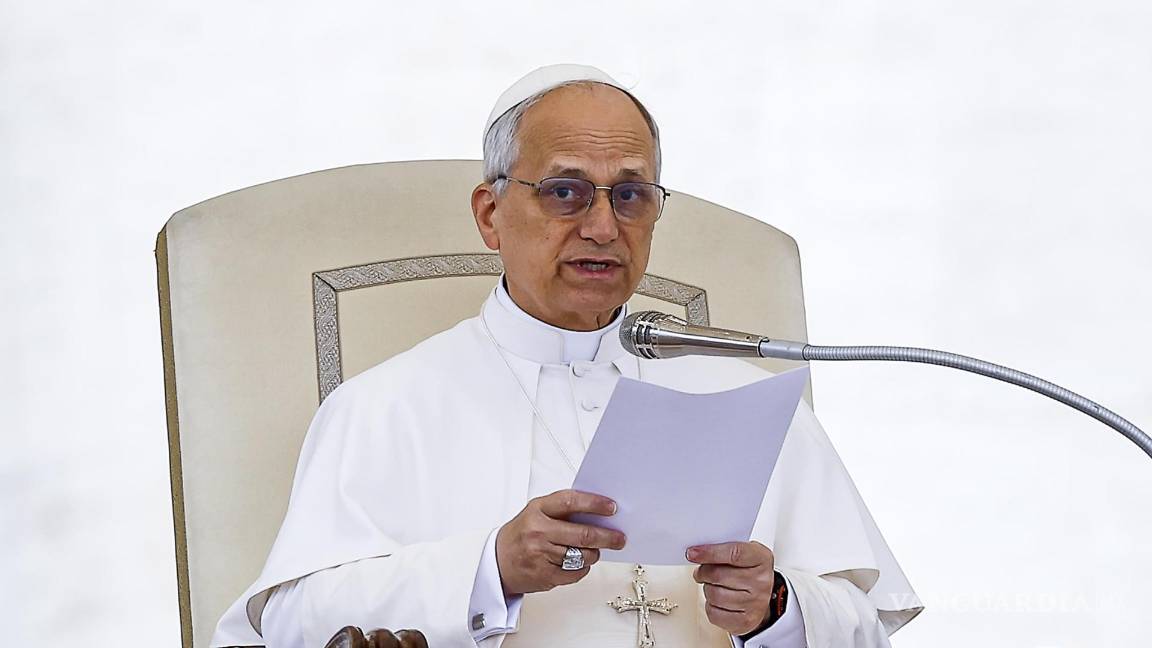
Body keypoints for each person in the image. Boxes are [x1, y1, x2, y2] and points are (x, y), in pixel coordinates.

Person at [210, 64, 923, 648]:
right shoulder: (385, 405)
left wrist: (777, 608)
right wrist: (490, 567)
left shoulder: (741, 396)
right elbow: (290, 623)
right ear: (490, 214)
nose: (604, 226)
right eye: (565, 192)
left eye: (631, 195)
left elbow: (865, 623)